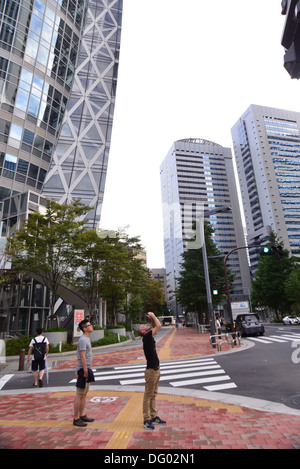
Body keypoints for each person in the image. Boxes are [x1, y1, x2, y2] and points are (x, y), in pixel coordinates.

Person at [138, 312, 166, 430]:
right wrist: (154, 316)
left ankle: (153, 416)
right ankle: (146, 419)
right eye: (143, 326)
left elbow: (154, 326)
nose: (144, 325)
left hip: (155, 369)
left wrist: (151, 320)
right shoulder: (146, 337)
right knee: (148, 395)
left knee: (153, 394)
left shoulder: (149, 337)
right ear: (143, 332)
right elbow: (158, 326)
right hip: (151, 371)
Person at [73, 318, 95, 427]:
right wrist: (85, 370)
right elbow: (82, 356)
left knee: (84, 394)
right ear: (85, 329)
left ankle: (82, 415)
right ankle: (76, 418)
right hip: (82, 370)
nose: (91, 326)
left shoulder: (87, 338)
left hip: (87, 369)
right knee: (80, 394)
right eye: (89, 325)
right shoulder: (82, 340)